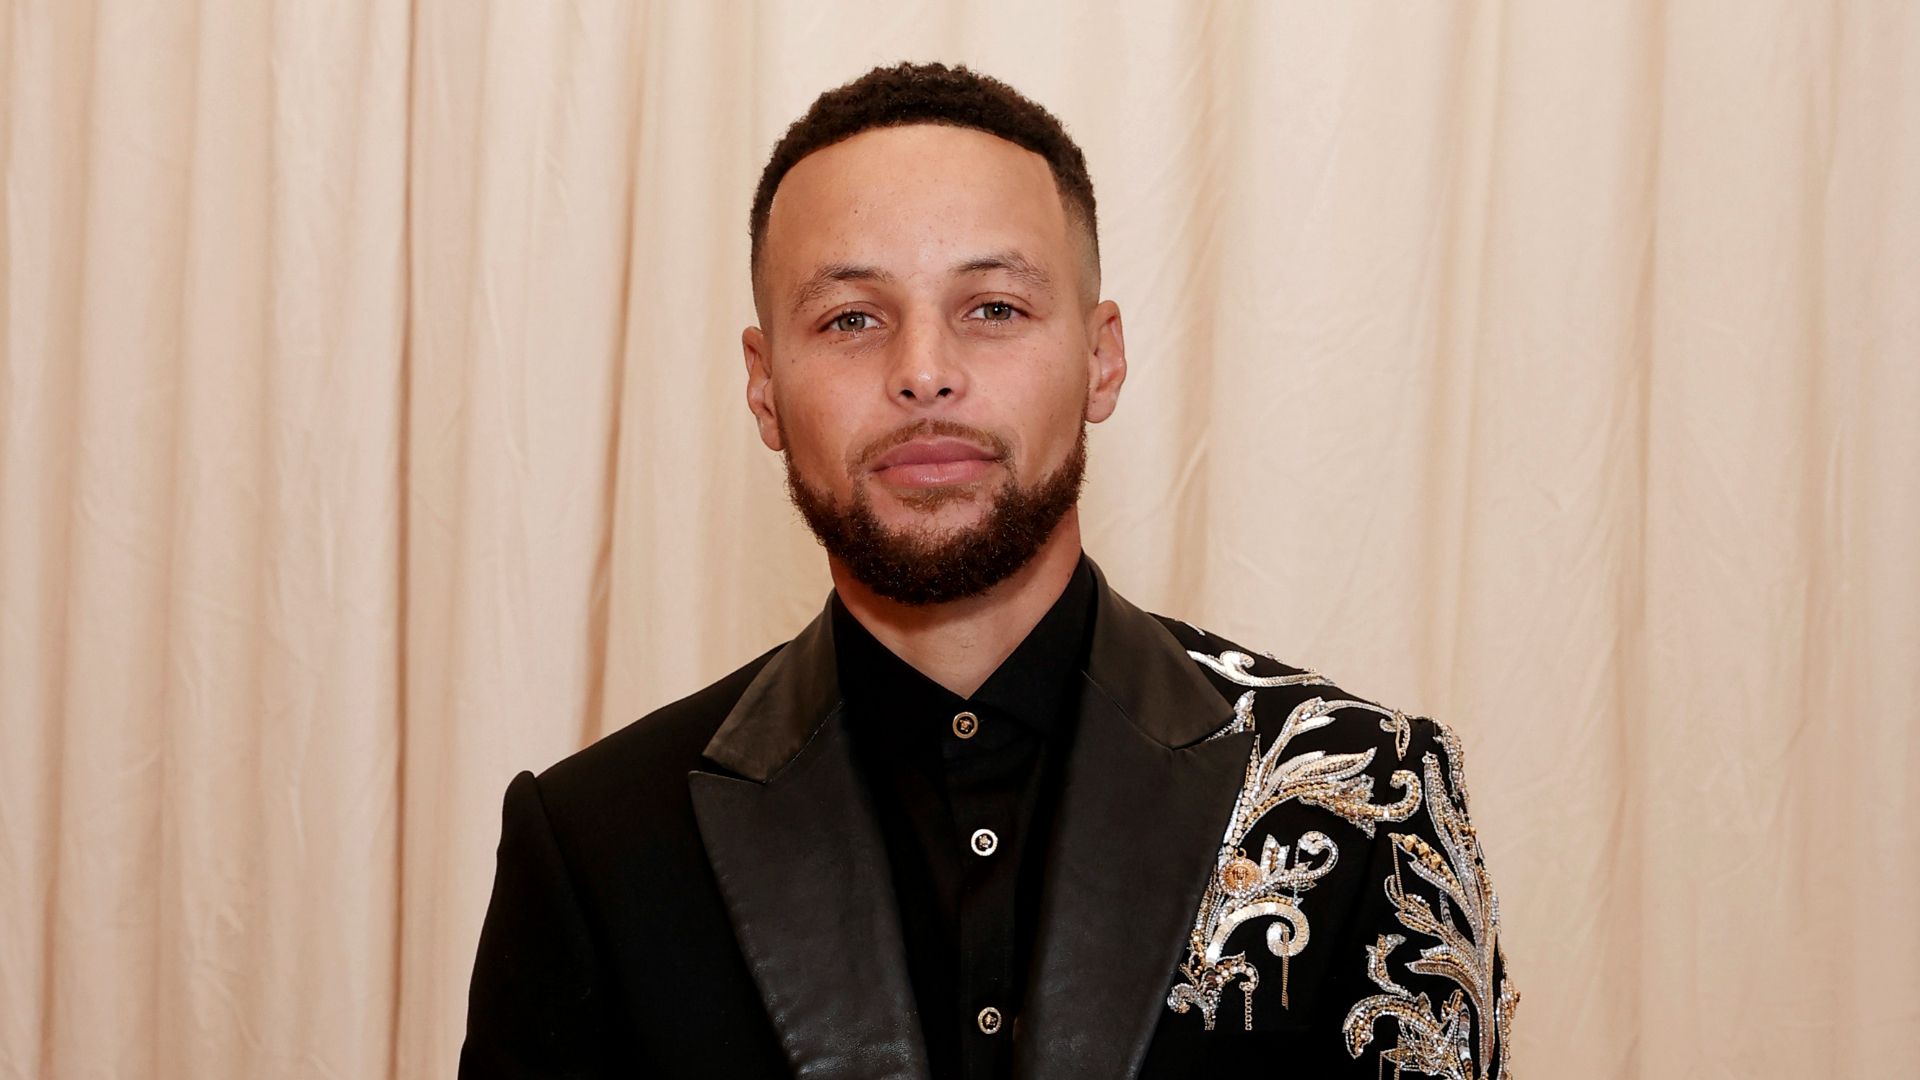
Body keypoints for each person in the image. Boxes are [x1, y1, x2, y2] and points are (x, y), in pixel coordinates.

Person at [460, 61, 1517, 1080]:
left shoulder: (1366, 800)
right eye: (852, 319)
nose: (924, 372)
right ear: (764, 384)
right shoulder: (598, 847)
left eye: (995, 309)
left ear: (1102, 356)